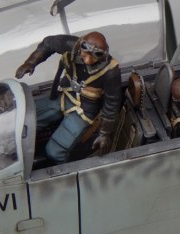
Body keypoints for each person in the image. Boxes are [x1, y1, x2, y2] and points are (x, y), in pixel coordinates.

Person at [15, 31, 121, 164]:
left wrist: (104, 134)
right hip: (63, 97)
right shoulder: (72, 45)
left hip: (84, 111)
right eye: (85, 55)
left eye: (94, 57)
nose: (87, 61)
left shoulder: (111, 72)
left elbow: (111, 105)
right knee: (22, 119)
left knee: (54, 152)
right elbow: (48, 43)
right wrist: (31, 62)